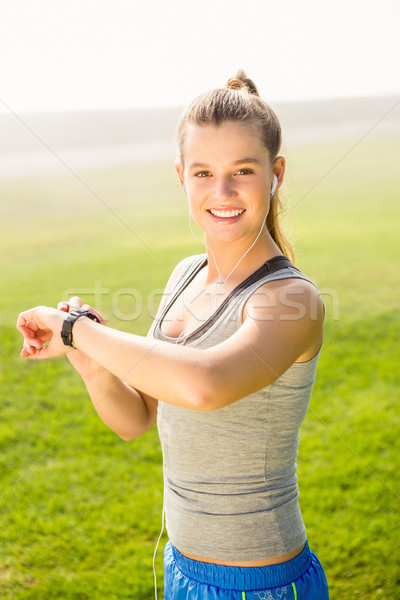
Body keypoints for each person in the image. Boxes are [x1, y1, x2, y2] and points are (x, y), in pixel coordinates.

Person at [17, 70, 329, 599]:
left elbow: (204, 385)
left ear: (276, 174)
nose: (222, 191)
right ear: (181, 175)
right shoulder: (184, 274)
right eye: (203, 172)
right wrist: (91, 362)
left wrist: (74, 330)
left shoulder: (290, 299)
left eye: (243, 171)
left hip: (259, 582)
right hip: (182, 567)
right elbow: (137, 418)